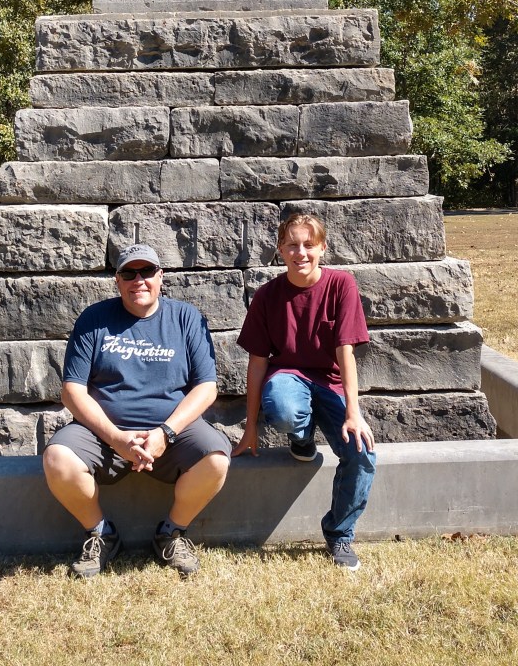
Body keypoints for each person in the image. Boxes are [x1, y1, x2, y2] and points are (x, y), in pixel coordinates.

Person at [43, 243, 231, 578]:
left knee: (216, 459)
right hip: (103, 434)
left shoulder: (186, 318)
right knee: (57, 458)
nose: (138, 280)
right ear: (117, 280)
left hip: (172, 433)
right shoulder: (94, 319)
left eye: (147, 272)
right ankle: (101, 534)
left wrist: (165, 433)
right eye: (129, 273)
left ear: (161, 277)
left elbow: (206, 388)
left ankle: (171, 533)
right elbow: (72, 391)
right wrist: (115, 438)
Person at [232, 212, 377, 570]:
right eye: (292, 245)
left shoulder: (341, 285)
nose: (301, 253)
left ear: (322, 248)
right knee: (283, 407)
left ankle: (340, 534)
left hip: (330, 383)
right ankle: (301, 439)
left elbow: (346, 352)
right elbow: (257, 363)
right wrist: (250, 426)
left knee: (362, 454)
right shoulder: (267, 296)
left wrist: (353, 413)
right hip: (288, 378)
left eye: (309, 245)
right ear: (280, 250)